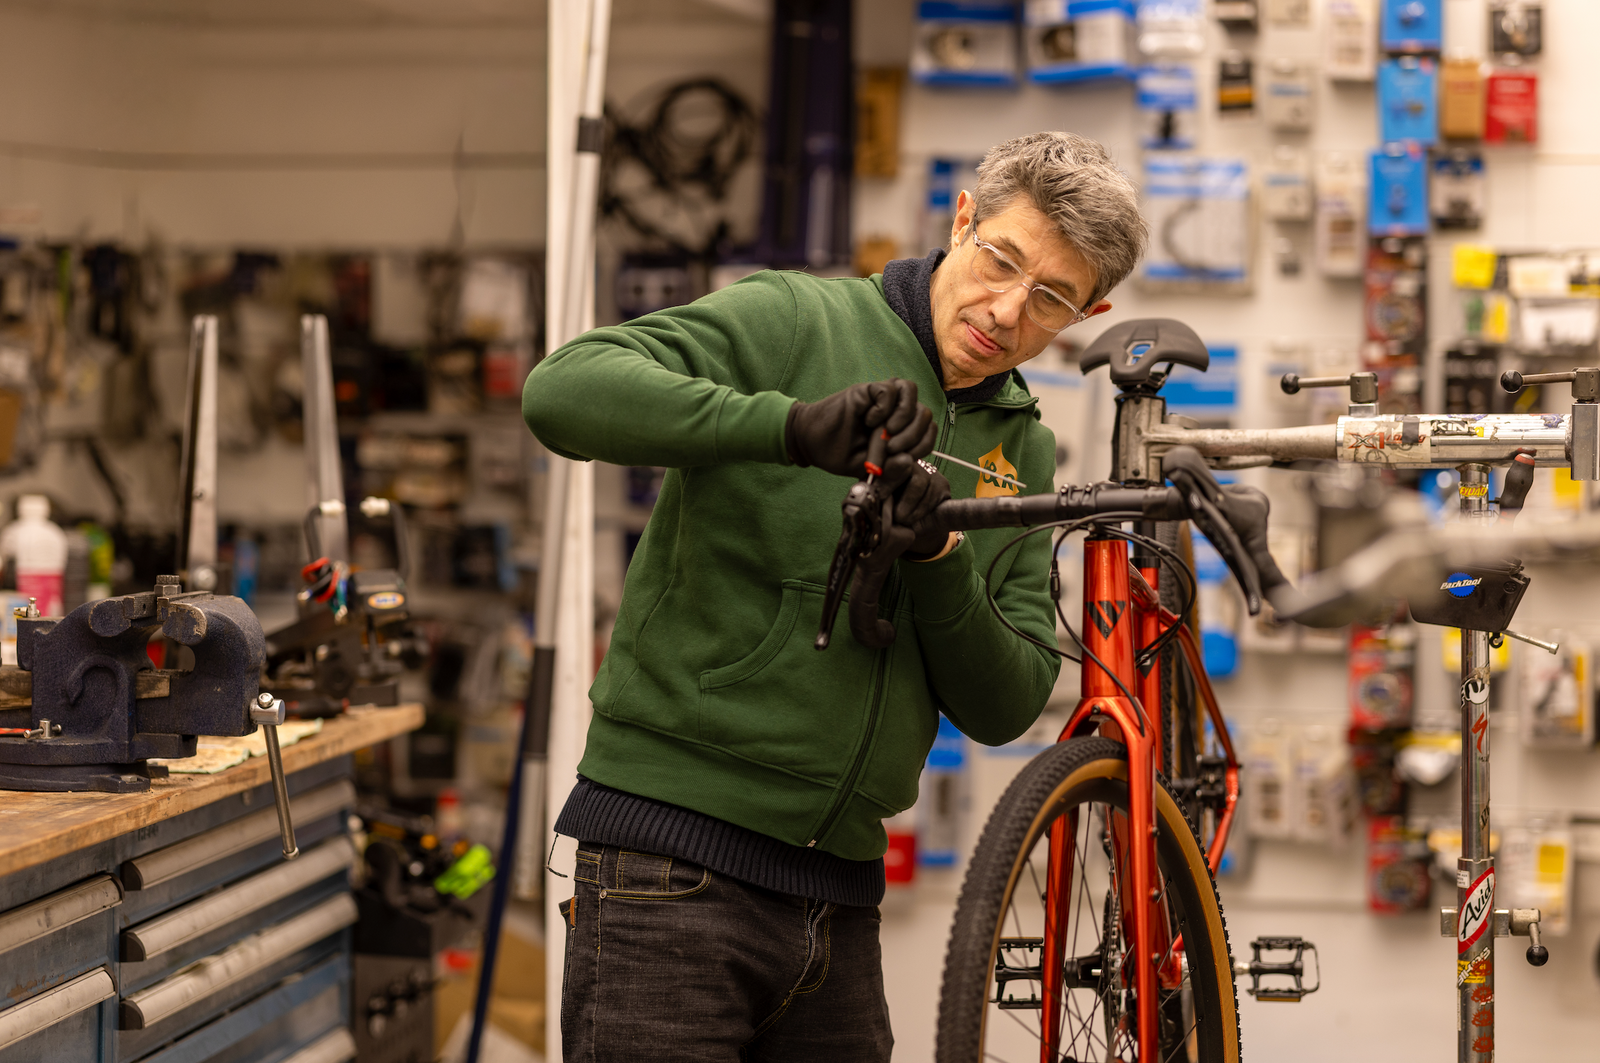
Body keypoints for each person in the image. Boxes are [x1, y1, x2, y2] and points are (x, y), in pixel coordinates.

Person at [522, 130, 1148, 1062]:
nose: (1008, 309)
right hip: (668, 867)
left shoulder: (1021, 448)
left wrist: (938, 556)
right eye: (1002, 261)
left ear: (1088, 309)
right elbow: (561, 393)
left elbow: (1007, 701)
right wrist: (785, 427)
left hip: (842, 898)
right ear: (962, 218)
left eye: (1051, 297)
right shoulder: (796, 318)